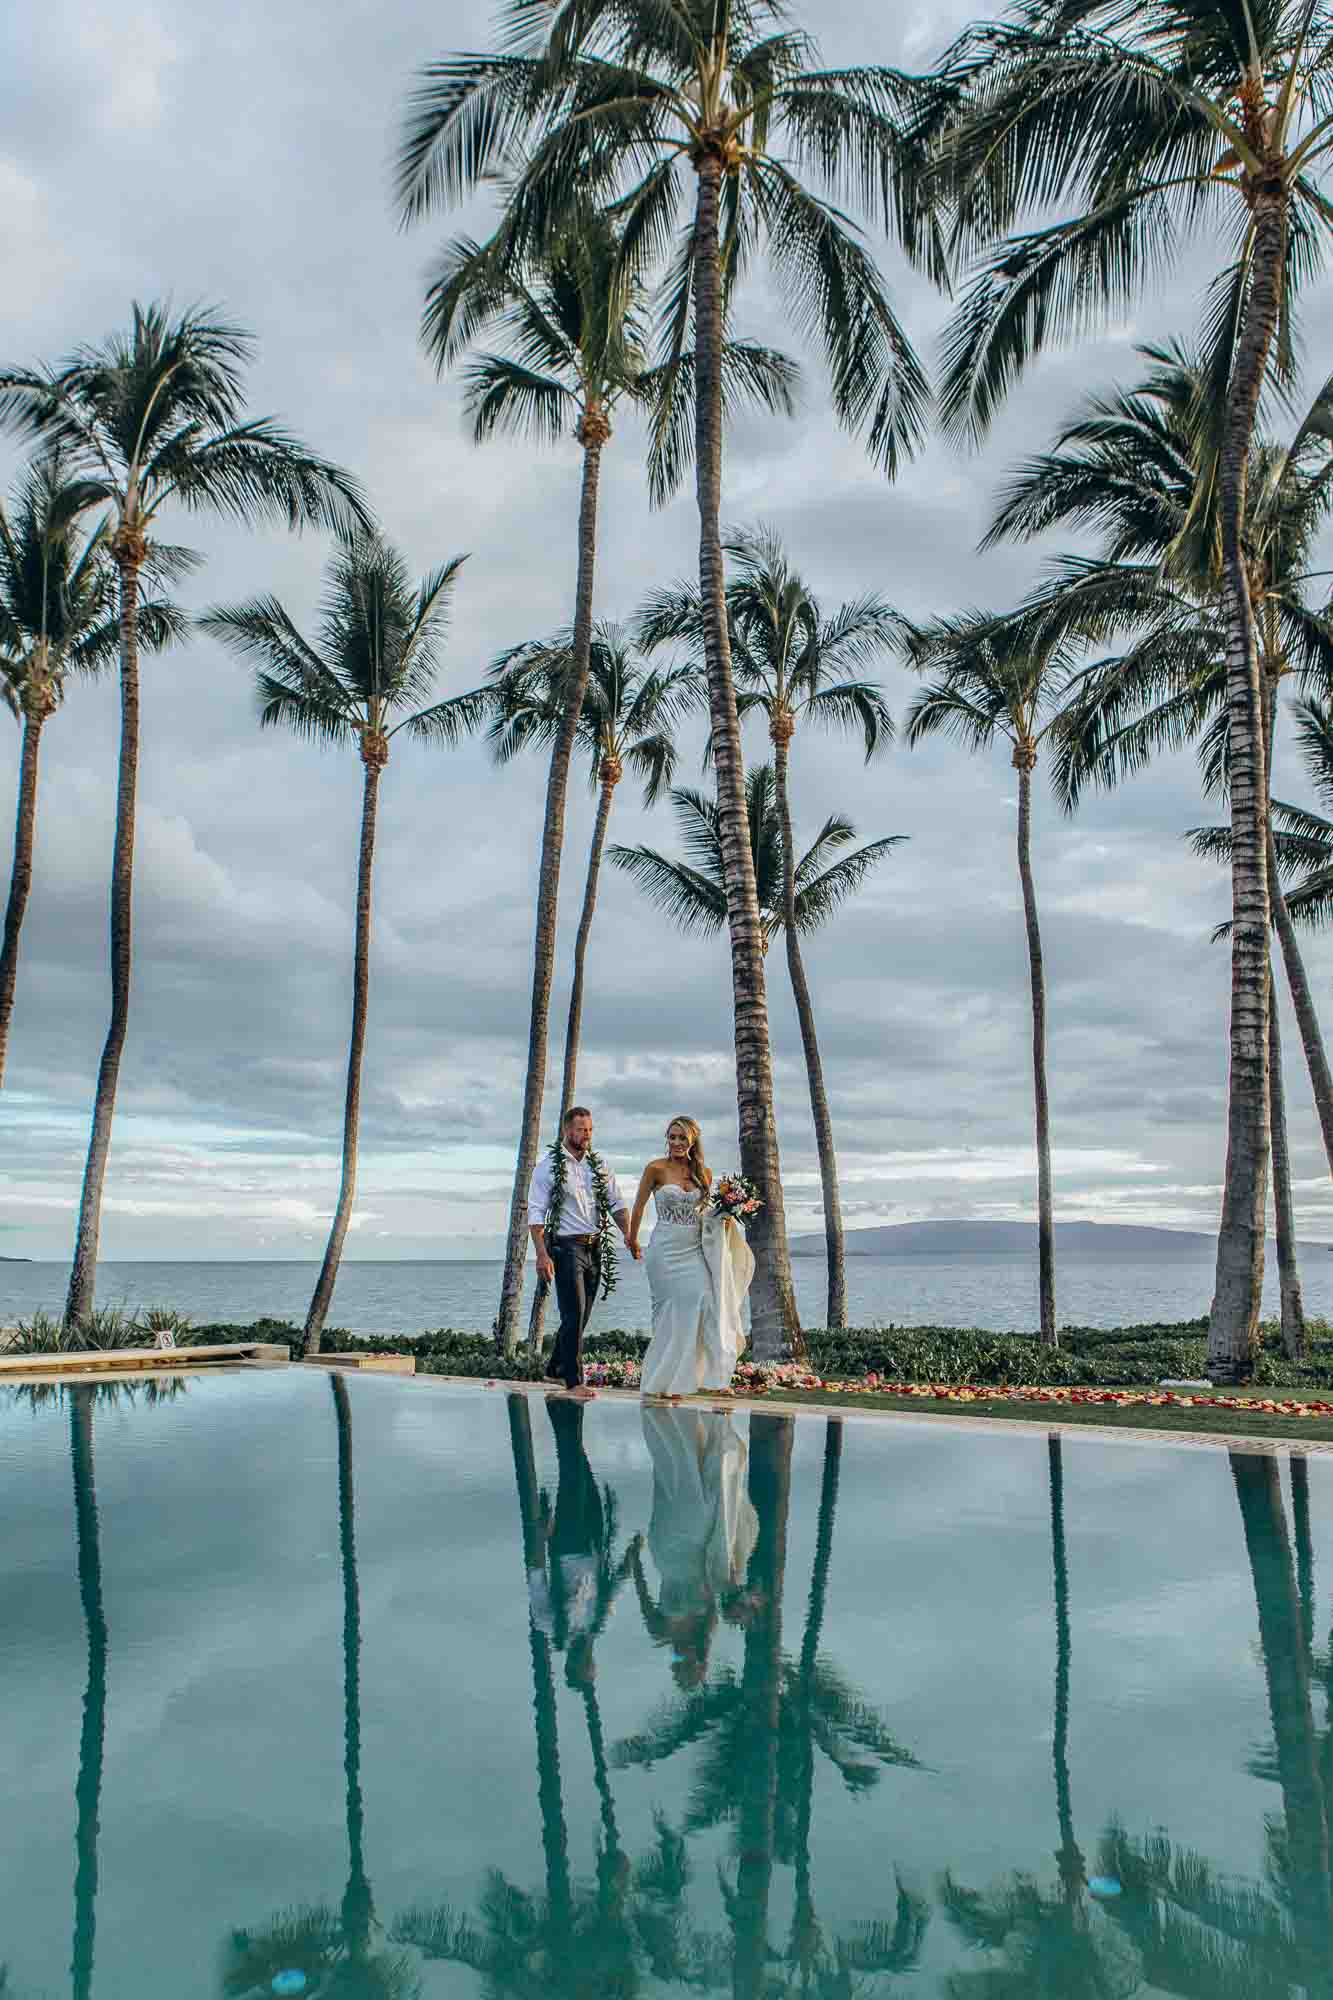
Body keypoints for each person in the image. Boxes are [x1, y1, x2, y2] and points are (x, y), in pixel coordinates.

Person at [627, 1403, 758, 1688]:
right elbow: (720, 1589)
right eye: (693, 1664)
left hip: (667, 1550)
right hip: (697, 1551)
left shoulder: (660, 1631)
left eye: (681, 1665)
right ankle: (714, 1425)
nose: (685, 1659)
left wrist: (634, 1557)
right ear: (700, 1661)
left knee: (673, 1483)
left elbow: (642, 1592)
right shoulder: (705, 1627)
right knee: (706, 1493)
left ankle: (670, 1419)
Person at [628, 1116, 753, 1400]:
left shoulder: (704, 1174)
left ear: (693, 1141)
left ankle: (717, 1379)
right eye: (672, 1137)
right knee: (670, 1314)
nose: (676, 1142)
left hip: (694, 1248)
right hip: (664, 1250)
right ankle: (668, 1383)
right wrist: (632, 1239)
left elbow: (706, 1214)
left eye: (682, 1138)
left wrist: (729, 1213)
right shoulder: (655, 1169)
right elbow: (638, 1207)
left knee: (707, 1302)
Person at [528, 1105, 638, 1397]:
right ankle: (574, 1381)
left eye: (590, 1130)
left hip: (594, 1246)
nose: (587, 1135)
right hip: (565, 1247)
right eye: (581, 1129)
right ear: (567, 1130)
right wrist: (542, 1254)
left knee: (582, 1316)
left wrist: (628, 1235)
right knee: (573, 1313)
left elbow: (616, 1204)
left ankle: (554, 1369)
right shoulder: (548, 1167)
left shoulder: (598, 1165)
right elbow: (536, 1214)